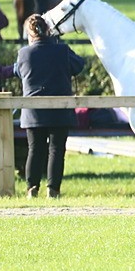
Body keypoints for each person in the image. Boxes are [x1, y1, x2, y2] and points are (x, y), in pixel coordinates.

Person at [15, 14, 85, 199]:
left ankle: (32, 188)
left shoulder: (24, 53)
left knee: (35, 149)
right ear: (48, 30)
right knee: (56, 150)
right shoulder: (62, 50)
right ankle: (53, 190)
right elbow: (79, 65)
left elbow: (18, 71)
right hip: (59, 111)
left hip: (33, 113)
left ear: (30, 33)